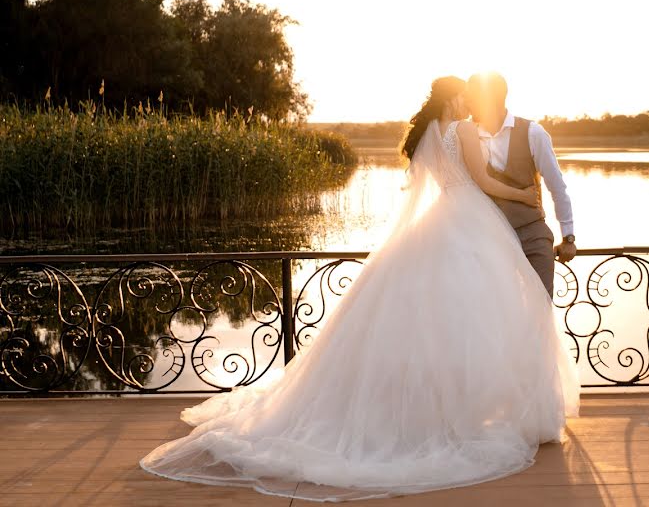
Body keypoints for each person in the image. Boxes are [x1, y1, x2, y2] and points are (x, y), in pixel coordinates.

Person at [139, 76, 580, 502]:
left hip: (443, 220)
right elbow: (483, 183)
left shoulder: (425, 135)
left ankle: (439, 410)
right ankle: (470, 411)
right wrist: (524, 196)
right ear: (453, 100)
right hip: (469, 222)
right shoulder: (462, 130)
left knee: (436, 322)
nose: (470, 102)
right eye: (464, 95)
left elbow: (432, 182)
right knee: (472, 321)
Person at [466, 72, 576, 296]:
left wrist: (569, 237)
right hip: (489, 240)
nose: (468, 102)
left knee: (541, 309)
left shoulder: (533, 132)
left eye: (473, 97)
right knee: (497, 313)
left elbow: (557, 186)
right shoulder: (468, 136)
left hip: (533, 236)